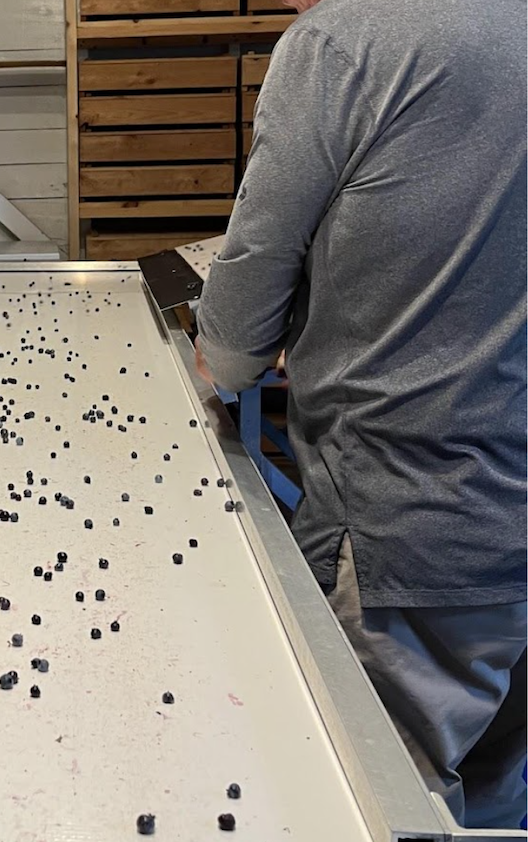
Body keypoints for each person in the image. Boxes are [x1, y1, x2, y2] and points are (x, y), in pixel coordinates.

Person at [194, 0, 526, 828]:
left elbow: (255, 268)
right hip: (505, 514)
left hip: (410, 517)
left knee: (383, 802)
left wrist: (230, 357)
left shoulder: (344, 43)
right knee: (493, 802)